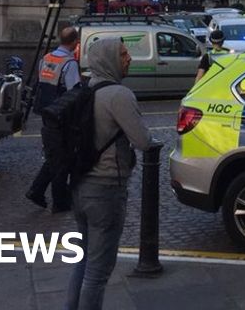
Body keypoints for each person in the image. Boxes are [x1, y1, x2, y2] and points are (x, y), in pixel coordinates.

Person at [65, 38, 152, 310]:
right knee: (98, 272)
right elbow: (143, 141)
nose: (129, 58)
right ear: (109, 59)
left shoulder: (87, 89)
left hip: (80, 187)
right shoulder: (119, 95)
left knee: (83, 261)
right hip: (105, 190)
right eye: (123, 54)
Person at [27, 27, 81, 212]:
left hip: (46, 113)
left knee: (54, 155)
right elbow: (74, 92)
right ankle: (59, 201)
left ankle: (38, 190)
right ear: (75, 42)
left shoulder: (46, 59)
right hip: (61, 115)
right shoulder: (69, 63)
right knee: (62, 157)